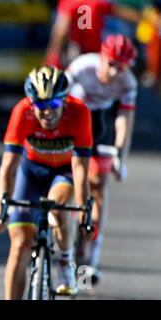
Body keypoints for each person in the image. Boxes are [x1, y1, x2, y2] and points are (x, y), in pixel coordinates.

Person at [0, 66, 93, 299]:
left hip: (64, 172)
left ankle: (66, 261)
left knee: (58, 208)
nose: (47, 112)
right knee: (19, 246)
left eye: (54, 105)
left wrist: (86, 211)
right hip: (31, 172)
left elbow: (80, 169)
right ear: (31, 103)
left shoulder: (79, 113)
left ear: (65, 102)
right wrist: (0, 210)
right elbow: (9, 167)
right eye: (40, 105)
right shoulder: (22, 112)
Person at [65, 33, 138, 284]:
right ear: (102, 58)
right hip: (73, 120)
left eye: (122, 67)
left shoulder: (128, 82)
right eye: (112, 64)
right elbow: (56, 99)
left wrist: (120, 154)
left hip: (100, 127)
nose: (116, 72)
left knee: (98, 189)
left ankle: (89, 264)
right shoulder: (83, 65)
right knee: (64, 181)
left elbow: (124, 120)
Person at [46, 0, 142, 68]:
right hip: (96, 50)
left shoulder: (68, 3)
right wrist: (143, 18)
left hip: (78, 51)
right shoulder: (96, 2)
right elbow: (120, 12)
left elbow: (61, 30)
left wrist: (52, 52)